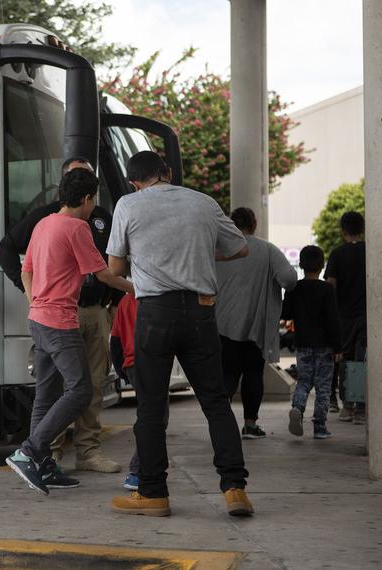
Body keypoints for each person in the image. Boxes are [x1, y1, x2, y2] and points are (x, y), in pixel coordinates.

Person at [107, 151, 253, 518]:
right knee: (216, 402)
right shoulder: (203, 203)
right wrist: (199, 255)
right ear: (168, 173)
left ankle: (153, 493)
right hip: (201, 311)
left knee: (151, 407)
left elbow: (114, 266)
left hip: (154, 313)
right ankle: (235, 489)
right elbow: (240, 247)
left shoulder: (128, 204)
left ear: (133, 181)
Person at [6, 168, 134, 496]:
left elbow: (26, 270)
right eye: (94, 201)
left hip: (38, 318)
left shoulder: (44, 223)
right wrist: (137, 288)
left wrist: (36, 301)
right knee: (80, 390)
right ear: (88, 198)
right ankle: (31, 451)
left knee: (47, 394)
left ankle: (43, 464)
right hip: (61, 322)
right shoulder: (78, 228)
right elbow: (103, 275)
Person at [216, 207, 298, 439]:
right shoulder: (267, 249)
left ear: (231, 225)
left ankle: (220, 424)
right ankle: (250, 425)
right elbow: (290, 279)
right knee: (253, 373)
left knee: (226, 375)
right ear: (254, 225)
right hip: (256, 326)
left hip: (222, 325)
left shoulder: (219, 250)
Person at [282, 245, 342, 439]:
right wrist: (338, 347)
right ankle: (320, 427)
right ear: (322, 266)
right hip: (324, 346)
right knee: (323, 386)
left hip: (302, 344)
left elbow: (286, 313)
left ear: (301, 264)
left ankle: (298, 408)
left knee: (304, 381)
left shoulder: (295, 288)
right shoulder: (327, 289)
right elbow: (333, 320)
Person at [109, 289, 166, 492]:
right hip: (149, 362)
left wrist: (122, 370)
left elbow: (115, 340)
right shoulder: (158, 299)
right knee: (156, 417)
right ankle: (137, 471)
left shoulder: (125, 299)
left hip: (132, 364)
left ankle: (144, 468)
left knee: (149, 413)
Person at [324, 211, 367, 423]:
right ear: (363, 229)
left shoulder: (337, 254)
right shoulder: (371, 251)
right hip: (367, 316)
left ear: (343, 232)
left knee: (346, 360)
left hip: (343, 316)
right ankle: (361, 409)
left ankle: (348, 406)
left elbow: (331, 285)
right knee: (362, 360)